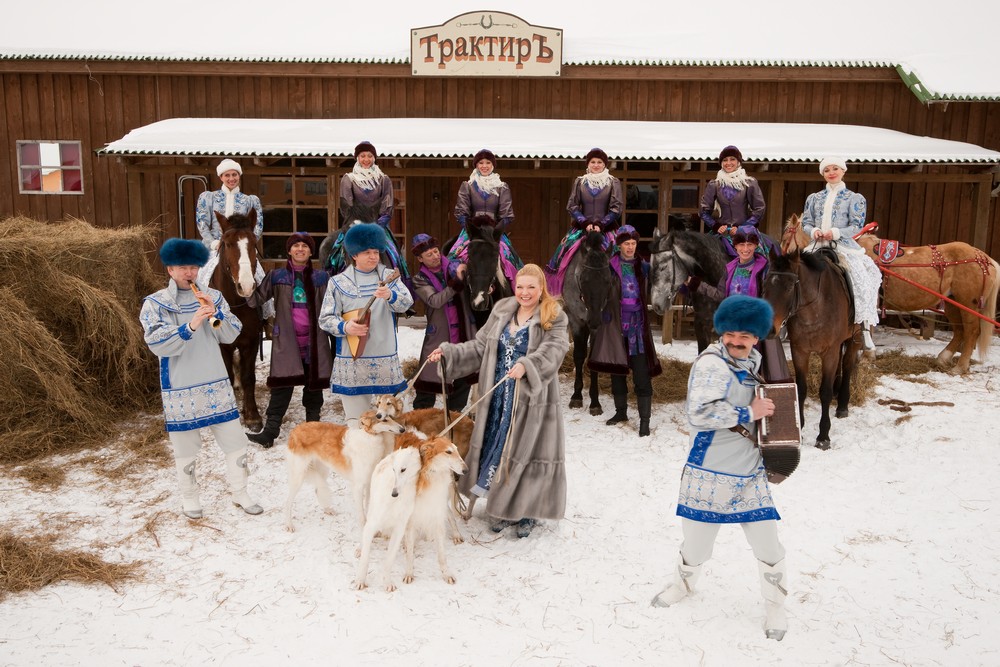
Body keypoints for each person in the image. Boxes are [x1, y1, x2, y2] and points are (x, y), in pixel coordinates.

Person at [651, 295, 787, 642]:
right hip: (709, 472)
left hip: (750, 473)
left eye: (745, 335)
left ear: (757, 337)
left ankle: (775, 606)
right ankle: (682, 585)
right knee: (696, 547)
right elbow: (698, 414)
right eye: (730, 333)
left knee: (769, 548)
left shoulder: (755, 362)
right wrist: (748, 413)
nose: (736, 341)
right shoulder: (712, 365)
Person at [428, 264, 568, 539]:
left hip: (531, 398)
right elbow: (480, 346)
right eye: (520, 287)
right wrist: (448, 353)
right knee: (501, 448)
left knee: (527, 452)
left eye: (531, 287)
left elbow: (555, 350)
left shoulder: (553, 316)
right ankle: (504, 507)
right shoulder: (503, 310)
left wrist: (528, 365)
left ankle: (527, 512)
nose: (524, 293)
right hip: (498, 396)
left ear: (541, 289)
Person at [139, 238, 263, 519]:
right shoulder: (155, 304)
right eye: (183, 268)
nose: (190, 274)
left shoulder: (214, 296)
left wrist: (216, 312)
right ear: (170, 270)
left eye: (194, 268)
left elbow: (231, 334)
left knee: (236, 443)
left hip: (216, 384)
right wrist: (192, 324)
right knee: (186, 450)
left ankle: (240, 492)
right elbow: (158, 343)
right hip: (180, 388)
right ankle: (189, 498)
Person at [319, 222, 413, 424]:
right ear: (354, 255)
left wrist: (391, 295)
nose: (373, 256)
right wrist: (346, 327)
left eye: (376, 252)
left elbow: (407, 303)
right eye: (367, 252)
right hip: (352, 360)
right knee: (357, 422)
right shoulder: (338, 282)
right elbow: (325, 319)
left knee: (391, 421)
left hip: (384, 359)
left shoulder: (389, 277)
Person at [245, 232, 333, 448]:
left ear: (311, 252)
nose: (300, 249)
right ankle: (270, 432)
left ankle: (313, 432)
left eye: (305, 246)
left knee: (313, 390)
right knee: (281, 388)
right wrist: (246, 285)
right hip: (287, 342)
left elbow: (333, 306)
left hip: (314, 342)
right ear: (289, 250)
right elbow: (256, 299)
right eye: (296, 245)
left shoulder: (322, 278)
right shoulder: (277, 276)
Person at [800, 157, 882, 351]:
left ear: (843, 171)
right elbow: (806, 223)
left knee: (860, 277)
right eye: (827, 170)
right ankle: (790, 319)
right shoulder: (814, 198)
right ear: (823, 174)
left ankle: (863, 326)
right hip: (817, 245)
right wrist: (814, 232)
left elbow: (856, 226)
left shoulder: (855, 198)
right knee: (797, 273)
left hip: (843, 245)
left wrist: (835, 233)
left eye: (835, 168)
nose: (831, 172)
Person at [588, 225, 662, 436]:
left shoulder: (644, 266)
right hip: (615, 324)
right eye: (626, 244)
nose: (630, 247)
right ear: (619, 245)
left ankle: (645, 420)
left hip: (637, 326)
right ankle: (621, 412)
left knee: (641, 373)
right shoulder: (609, 266)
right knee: (617, 371)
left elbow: (660, 282)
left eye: (633, 244)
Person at [195, 158, 271, 317]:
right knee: (200, 277)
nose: (231, 178)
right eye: (227, 175)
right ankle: (198, 311)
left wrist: (248, 244)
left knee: (259, 276)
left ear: (239, 176)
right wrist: (213, 242)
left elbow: (257, 226)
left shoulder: (250, 200)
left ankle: (267, 316)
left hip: (243, 247)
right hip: (216, 246)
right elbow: (202, 223)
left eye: (234, 174)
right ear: (221, 177)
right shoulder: (208, 198)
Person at [410, 233, 477, 411]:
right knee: (428, 379)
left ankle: (453, 417)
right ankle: (421, 419)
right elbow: (435, 301)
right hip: (439, 334)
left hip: (463, 331)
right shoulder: (419, 279)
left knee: (463, 375)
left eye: (436, 251)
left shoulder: (455, 267)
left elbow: (473, 283)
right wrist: (456, 284)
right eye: (429, 254)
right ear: (420, 258)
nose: (435, 256)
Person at [323, 141, 409, 281]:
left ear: (374, 158)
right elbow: (346, 206)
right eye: (363, 156)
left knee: (394, 255)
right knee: (336, 255)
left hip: (378, 224)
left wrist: (377, 225)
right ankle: (334, 278)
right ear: (357, 158)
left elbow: (388, 206)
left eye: (369, 156)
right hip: (354, 224)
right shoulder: (348, 179)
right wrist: (357, 224)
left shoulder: (383, 179)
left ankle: (400, 280)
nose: (366, 159)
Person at [545, 148, 623, 296]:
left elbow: (617, 207)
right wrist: (584, 222)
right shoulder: (580, 182)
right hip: (582, 229)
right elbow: (572, 205)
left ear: (605, 164)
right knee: (562, 253)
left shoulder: (613, 182)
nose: (596, 165)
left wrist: (601, 224)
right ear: (588, 164)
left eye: (599, 162)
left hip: (606, 230)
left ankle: (618, 293)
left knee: (619, 257)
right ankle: (560, 293)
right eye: (593, 162)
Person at [446, 148, 523, 287]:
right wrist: (471, 229)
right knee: (452, 257)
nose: (484, 166)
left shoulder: (502, 187)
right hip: (472, 229)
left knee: (512, 259)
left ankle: (514, 291)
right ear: (476, 165)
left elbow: (506, 214)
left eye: (488, 162)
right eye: (481, 162)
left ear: (493, 165)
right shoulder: (467, 186)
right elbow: (461, 212)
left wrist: (497, 230)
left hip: (494, 231)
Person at [699, 145, 774, 258]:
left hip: (746, 232)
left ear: (739, 162)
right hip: (722, 234)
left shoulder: (749, 183)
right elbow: (703, 211)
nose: (728, 163)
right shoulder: (714, 184)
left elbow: (759, 209)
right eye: (725, 160)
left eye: (732, 159)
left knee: (761, 258)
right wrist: (716, 226)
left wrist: (742, 228)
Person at [685, 225, 769, 300]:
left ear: (756, 246)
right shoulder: (730, 269)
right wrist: (695, 283)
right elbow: (720, 295)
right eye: (741, 244)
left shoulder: (764, 268)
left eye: (750, 244)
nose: (745, 249)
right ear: (735, 246)